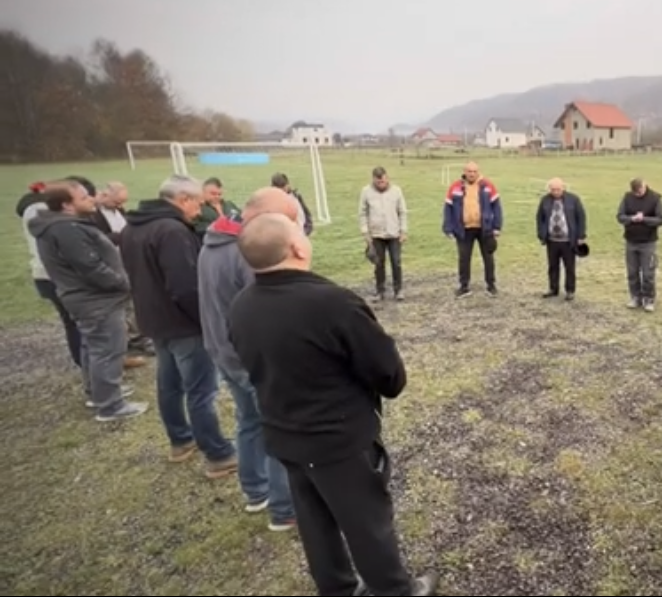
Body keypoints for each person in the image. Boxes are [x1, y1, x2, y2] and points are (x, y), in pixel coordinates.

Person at [229, 212, 437, 597]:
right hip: (337, 441)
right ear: (296, 247)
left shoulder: (241, 304)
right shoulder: (333, 303)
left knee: (315, 521)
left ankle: (337, 588)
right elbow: (388, 374)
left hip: (284, 434)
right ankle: (395, 591)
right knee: (367, 524)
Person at [120, 175, 237, 477]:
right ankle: (218, 454)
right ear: (183, 199)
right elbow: (185, 287)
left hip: (154, 319)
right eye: (198, 203)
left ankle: (180, 440)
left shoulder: (133, 226)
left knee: (169, 384)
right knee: (201, 391)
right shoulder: (171, 231)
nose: (199, 211)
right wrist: (207, 320)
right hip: (183, 324)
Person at [199, 188, 298, 532]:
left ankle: (256, 491)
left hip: (224, 351)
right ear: (262, 217)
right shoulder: (248, 253)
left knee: (249, 422)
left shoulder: (214, 241)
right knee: (279, 428)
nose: (291, 227)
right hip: (251, 359)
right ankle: (285, 507)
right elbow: (267, 311)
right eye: (287, 219)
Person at [27, 180, 149, 421]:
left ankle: (98, 392)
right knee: (108, 349)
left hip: (88, 298)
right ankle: (111, 405)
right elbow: (91, 267)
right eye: (84, 197)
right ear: (66, 205)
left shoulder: (63, 225)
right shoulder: (66, 229)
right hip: (95, 301)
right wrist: (123, 283)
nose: (92, 199)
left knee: (93, 347)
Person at [19, 181, 81, 368]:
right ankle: (87, 364)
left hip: (44, 275)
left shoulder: (34, 215)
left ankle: (86, 363)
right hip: (55, 276)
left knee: (71, 322)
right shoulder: (47, 218)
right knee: (76, 322)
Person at [93, 181, 152, 360]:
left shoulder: (119, 211)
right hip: (108, 263)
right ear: (104, 195)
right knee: (121, 303)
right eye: (116, 202)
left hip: (126, 259)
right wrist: (121, 237)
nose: (120, 206)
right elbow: (95, 238)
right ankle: (128, 340)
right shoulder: (93, 214)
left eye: (122, 203)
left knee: (133, 299)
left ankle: (137, 336)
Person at [442, 161, 502, 298]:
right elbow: (448, 208)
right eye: (469, 171)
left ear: (478, 172)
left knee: (488, 258)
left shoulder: (488, 186)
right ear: (464, 172)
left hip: (485, 229)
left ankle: (491, 285)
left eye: (474, 171)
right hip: (463, 230)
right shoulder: (455, 187)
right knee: (464, 259)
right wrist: (448, 228)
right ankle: (464, 287)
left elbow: (497, 206)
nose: (472, 174)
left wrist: (497, 226)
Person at [358, 166, 408, 301]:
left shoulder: (396, 191)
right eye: (378, 182)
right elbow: (362, 213)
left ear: (387, 178)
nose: (381, 183)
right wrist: (365, 232)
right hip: (376, 234)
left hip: (394, 233)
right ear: (374, 179)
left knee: (396, 262)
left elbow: (402, 212)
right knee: (378, 263)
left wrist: (403, 231)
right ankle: (380, 290)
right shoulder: (366, 192)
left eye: (383, 181)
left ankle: (398, 290)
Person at [616, 177, 662, 311]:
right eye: (635, 193)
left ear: (644, 186)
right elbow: (620, 216)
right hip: (631, 241)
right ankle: (635, 297)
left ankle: (649, 299)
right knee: (632, 272)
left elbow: (661, 219)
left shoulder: (655, 199)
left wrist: (644, 219)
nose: (638, 194)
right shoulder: (627, 197)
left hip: (648, 242)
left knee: (648, 273)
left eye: (639, 192)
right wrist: (631, 218)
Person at [535, 177, 587, 301]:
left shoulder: (573, 199)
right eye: (553, 189)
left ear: (563, 187)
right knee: (553, 266)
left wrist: (581, 236)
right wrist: (541, 234)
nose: (555, 192)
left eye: (558, 189)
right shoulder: (545, 200)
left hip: (568, 241)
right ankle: (553, 288)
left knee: (569, 267)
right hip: (552, 240)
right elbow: (540, 218)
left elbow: (581, 217)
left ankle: (570, 290)